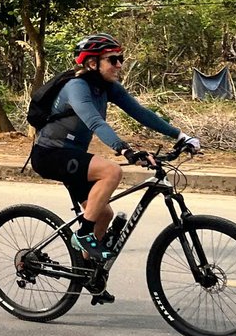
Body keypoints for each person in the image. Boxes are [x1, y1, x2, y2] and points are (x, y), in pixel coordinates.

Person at [29, 34, 200, 259]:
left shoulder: (108, 87)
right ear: (92, 63)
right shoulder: (76, 86)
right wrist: (124, 149)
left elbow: (140, 113)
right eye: (112, 60)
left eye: (121, 58)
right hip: (51, 154)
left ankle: (86, 271)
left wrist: (180, 136)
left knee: (103, 214)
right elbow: (94, 121)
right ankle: (83, 234)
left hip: (73, 156)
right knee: (111, 171)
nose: (119, 64)